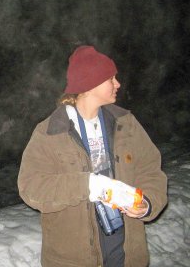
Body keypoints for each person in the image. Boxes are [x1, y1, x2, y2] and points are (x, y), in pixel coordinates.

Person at [18, 45, 167, 267]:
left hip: (126, 251)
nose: (118, 84)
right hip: (75, 257)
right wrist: (88, 185)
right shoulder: (50, 132)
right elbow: (31, 187)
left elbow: (151, 170)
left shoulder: (126, 123)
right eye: (111, 79)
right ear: (90, 84)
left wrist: (146, 203)